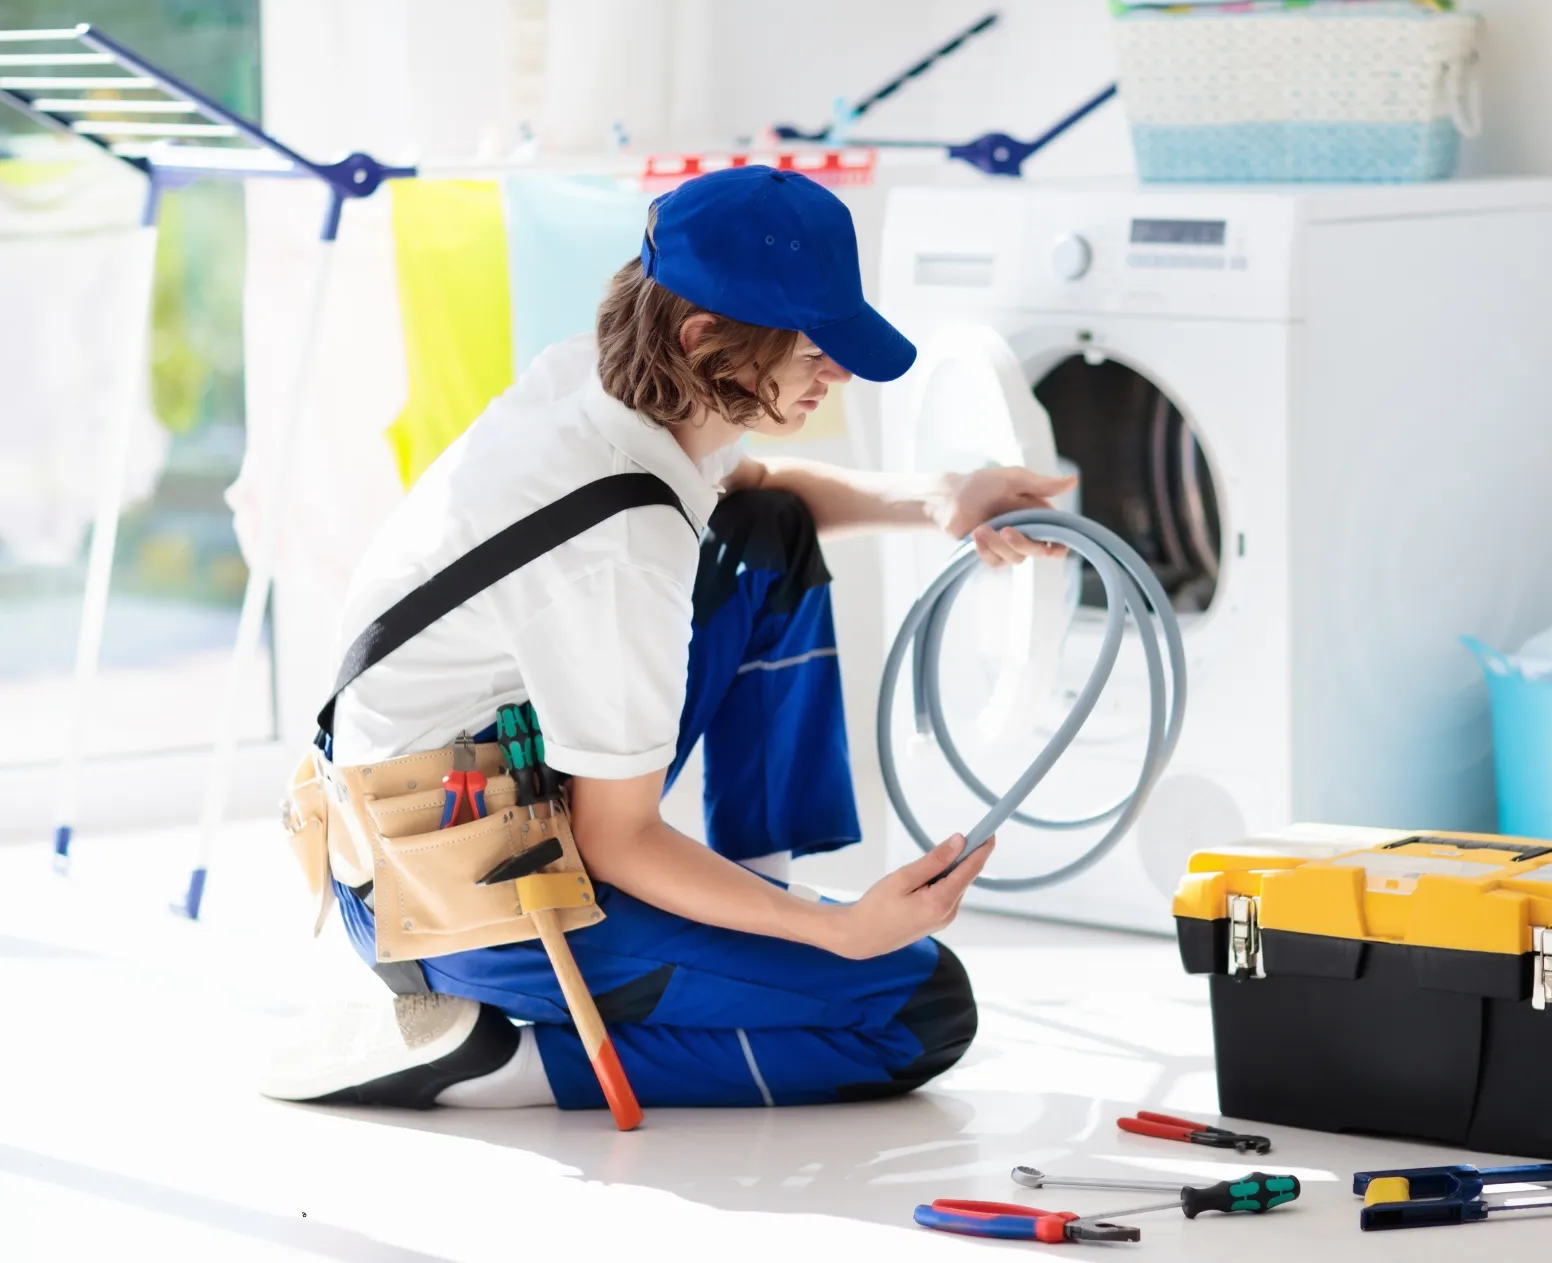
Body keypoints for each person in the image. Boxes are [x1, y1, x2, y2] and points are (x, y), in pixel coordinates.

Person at [263, 167, 1071, 1113]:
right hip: (444, 894)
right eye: (813, 348)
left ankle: (751, 897)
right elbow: (619, 838)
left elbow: (753, 481)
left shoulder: (601, 380)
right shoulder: (620, 551)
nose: (836, 373)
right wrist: (838, 932)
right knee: (916, 1008)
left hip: (448, 790)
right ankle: (496, 1060)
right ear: (706, 339)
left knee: (765, 533)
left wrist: (937, 497)